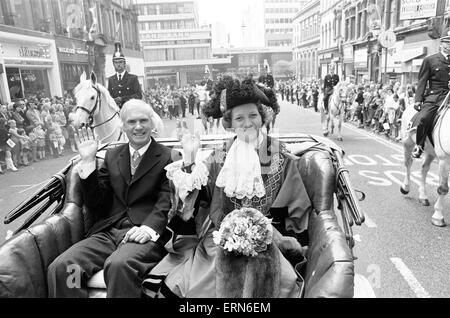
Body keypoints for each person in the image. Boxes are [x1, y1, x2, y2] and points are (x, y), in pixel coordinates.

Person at [143, 78, 311, 298]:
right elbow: (197, 199)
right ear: (230, 123)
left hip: (269, 240)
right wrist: (190, 160)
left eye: (253, 115)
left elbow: (295, 208)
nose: (247, 123)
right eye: (239, 118)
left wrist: (262, 234)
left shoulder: (281, 157)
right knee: (198, 283)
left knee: (273, 278)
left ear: (263, 117)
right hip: (220, 239)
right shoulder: (219, 155)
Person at [47, 99, 179, 298]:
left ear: (152, 124)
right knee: (64, 267)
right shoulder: (112, 155)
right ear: (123, 126)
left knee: (118, 265)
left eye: (143, 121)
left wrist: (149, 229)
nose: (138, 127)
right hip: (108, 233)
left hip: (144, 235)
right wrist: (89, 161)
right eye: (131, 122)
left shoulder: (169, 156)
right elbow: (95, 202)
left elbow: (166, 200)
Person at [411, 29, 450, 158]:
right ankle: (419, 145)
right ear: (441, 43)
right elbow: (422, 81)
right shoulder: (430, 60)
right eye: (447, 42)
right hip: (436, 97)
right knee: (424, 119)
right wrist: (418, 99)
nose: (449, 45)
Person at [107, 42, 142, 109]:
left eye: (120, 62)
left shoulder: (133, 78)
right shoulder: (111, 80)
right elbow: (109, 97)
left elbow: (138, 95)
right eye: (116, 63)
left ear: (124, 63)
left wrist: (122, 99)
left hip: (130, 110)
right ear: (113, 64)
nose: (118, 64)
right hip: (116, 111)